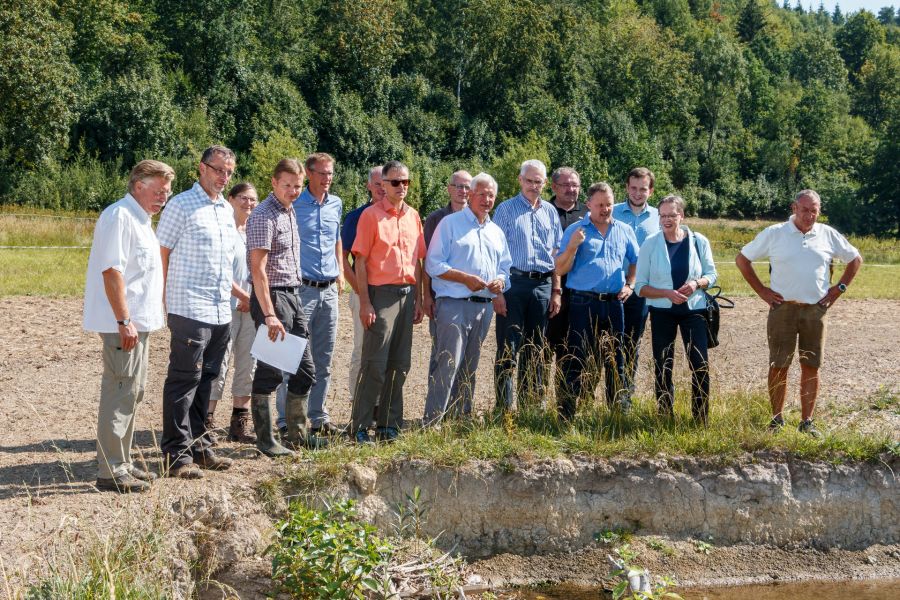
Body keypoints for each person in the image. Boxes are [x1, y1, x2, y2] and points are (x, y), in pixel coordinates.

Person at [736, 190, 862, 436]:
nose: (809, 215)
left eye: (814, 210)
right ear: (794, 207)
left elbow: (855, 259)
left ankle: (807, 422)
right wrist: (762, 290)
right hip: (783, 309)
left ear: (819, 210)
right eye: (804, 209)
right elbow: (742, 259)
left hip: (816, 310)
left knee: (811, 365)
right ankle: (776, 420)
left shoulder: (828, 235)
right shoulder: (775, 233)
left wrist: (839, 289)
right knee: (779, 364)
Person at [83, 160, 174, 493]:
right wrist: (123, 319)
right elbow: (112, 272)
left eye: (167, 192)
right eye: (158, 191)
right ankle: (110, 471)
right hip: (125, 324)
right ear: (138, 185)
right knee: (120, 390)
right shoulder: (119, 217)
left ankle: (122, 462)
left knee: (133, 392)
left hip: (140, 323)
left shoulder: (142, 221)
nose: (164, 197)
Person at [157, 146, 239, 478]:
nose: (224, 177)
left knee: (208, 379)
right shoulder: (180, 206)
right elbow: (161, 253)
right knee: (184, 379)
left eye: (229, 172)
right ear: (201, 168)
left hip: (220, 310)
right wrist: (162, 299)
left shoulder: (225, 210)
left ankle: (200, 446)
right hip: (189, 307)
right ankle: (175, 454)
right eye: (219, 170)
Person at [423, 173, 511, 426]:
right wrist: (464, 278)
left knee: (470, 367)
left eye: (491, 195)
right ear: (470, 195)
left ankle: (461, 420)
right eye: (481, 194)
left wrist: (501, 282)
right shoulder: (450, 224)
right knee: (447, 364)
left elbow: (505, 268)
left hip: (483, 307)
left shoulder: (495, 231)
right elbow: (433, 263)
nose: (486, 199)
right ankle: (433, 422)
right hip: (453, 303)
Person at [245, 159, 318, 456]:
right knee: (271, 370)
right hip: (272, 299)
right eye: (287, 185)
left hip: (292, 296)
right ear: (273, 182)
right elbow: (258, 269)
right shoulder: (264, 215)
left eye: (298, 186)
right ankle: (266, 440)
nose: (293, 190)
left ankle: (298, 434)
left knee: (306, 370)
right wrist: (270, 314)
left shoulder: (289, 212)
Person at [351, 161, 425, 443]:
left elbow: (418, 262)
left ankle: (389, 426)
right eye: (396, 182)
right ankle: (359, 426)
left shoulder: (414, 216)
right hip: (380, 296)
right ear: (382, 184)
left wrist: (418, 299)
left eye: (406, 182)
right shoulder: (370, 216)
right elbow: (360, 261)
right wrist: (365, 303)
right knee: (374, 364)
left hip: (406, 295)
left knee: (399, 364)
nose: (402, 187)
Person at [274, 153, 344, 442]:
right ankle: (284, 420)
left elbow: (336, 238)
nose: (327, 179)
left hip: (329, 289)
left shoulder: (336, 204)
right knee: (291, 356)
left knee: (324, 358)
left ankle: (318, 417)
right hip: (300, 289)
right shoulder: (293, 204)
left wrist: (340, 271)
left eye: (331, 174)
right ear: (309, 173)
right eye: (322, 173)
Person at [555, 183, 639, 420]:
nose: (605, 209)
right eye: (600, 204)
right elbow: (560, 268)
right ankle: (567, 414)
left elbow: (635, 260)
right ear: (588, 204)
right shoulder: (575, 229)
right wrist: (572, 247)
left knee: (616, 359)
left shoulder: (624, 230)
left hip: (613, 304)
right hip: (582, 303)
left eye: (609, 204)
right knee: (577, 357)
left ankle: (618, 415)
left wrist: (630, 284)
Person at [634, 195, 717, 424]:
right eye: (662, 215)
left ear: (682, 216)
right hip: (662, 312)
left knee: (699, 365)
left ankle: (700, 418)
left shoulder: (699, 241)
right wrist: (666, 293)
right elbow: (640, 287)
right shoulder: (650, 244)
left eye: (672, 215)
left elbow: (711, 275)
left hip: (694, 311)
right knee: (663, 364)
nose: (667, 220)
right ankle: (664, 415)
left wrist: (695, 284)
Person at [492, 159, 563, 411]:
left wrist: (556, 290)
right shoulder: (505, 210)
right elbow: (494, 254)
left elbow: (556, 255)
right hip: (514, 284)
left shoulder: (550, 212)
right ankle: (504, 409)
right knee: (508, 347)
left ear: (545, 183)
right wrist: (497, 293)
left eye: (539, 181)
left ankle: (530, 407)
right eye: (530, 180)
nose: (534, 185)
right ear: (520, 180)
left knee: (537, 348)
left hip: (543, 285)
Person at [207, 182, 258, 444]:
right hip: (226, 307)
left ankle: (239, 424)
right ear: (230, 199)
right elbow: (220, 271)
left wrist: (254, 299)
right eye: (243, 198)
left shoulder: (254, 233)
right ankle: (207, 422)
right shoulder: (224, 230)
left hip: (251, 309)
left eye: (253, 200)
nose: (248, 204)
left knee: (248, 365)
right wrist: (243, 296)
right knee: (220, 365)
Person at [422, 170, 473, 406]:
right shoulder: (436, 219)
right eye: (459, 186)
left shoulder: (478, 219)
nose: (463, 191)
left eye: (467, 187)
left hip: (472, 301)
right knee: (443, 355)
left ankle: (459, 410)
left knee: (467, 359)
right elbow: (427, 261)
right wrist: (426, 296)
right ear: (449, 189)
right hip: (442, 298)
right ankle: (436, 411)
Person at [612, 167, 660, 401]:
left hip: (641, 290)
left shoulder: (659, 218)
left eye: (643, 189)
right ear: (626, 188)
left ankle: (625, 395)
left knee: (632, 342)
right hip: (612, 287)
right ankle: (607, 394)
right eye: (633, 188)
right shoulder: (612, 212)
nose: (637, 193)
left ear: (650, 191)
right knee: (608, 342)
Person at [342, 166, 384, 405]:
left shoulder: (396, 215)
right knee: (362, 350)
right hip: (364, 294)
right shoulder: (356, 217)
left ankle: (379, 405)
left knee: (384, 352)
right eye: (376, 184)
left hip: (389, 294)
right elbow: (344, 258)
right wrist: (360, 291)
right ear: (369, 186)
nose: (381, 188)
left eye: (384, 183)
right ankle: (359, 403)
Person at [545, 167, 588, 398]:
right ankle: (537, 402)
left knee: (573, 350)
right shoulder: (544, 210)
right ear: (554, 187)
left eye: (575, 185)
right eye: (565, 185)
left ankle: (567, 399)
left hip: (580, 294)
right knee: (544, 348)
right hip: (551, 291)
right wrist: (556, 289)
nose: (571, 190)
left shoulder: (588, 213)